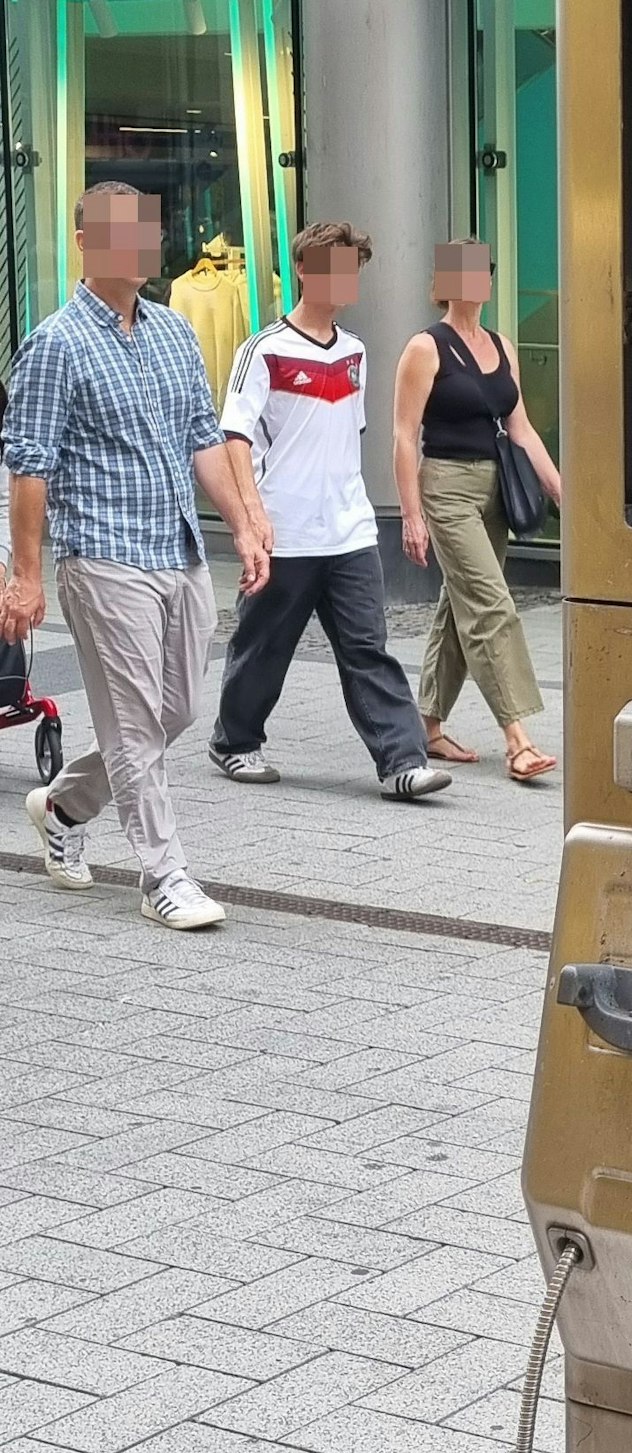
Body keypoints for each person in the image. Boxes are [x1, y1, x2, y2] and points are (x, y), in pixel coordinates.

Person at [0, 181, 273, 931]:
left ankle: (62, 805)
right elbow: (29, 465)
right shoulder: (55, 344)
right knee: (131, 727)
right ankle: (164, 876)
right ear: (86, 244)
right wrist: (26, 575)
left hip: (179, 551)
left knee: (172, 711)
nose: (143, 244)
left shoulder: (174, 332)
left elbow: (202, 440)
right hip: (103, 557)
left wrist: (245, 525)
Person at [207, 221, 453, 802]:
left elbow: (345, 438)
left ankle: (401, 761)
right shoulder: (263, 350)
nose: (347, 280)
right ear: (304, 270)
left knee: (368, 647)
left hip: (349, 531)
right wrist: (251, 515)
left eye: (353, 268)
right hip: (284, 533)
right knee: (263, 646)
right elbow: (234, 435)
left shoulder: (355, 352)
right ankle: (234, 742)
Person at [391, 239, 560, 784]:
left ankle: (426, 725)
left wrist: (561, 492)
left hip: (497, 491)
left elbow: (522, 428)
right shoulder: (425, 347)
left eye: (482, 271)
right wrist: (411, 514)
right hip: (447, 486)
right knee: (492, 605)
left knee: (456, 603)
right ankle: (518, 740)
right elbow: (403, 435)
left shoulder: (502, 346)